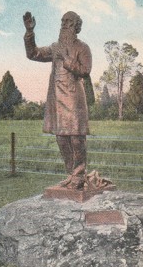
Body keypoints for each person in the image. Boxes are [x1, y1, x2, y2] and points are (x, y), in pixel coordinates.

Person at [23, 11, 92, 189]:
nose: (63, 24)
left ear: (76, 26)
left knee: (77, 138)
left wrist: (66, 59)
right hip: (57, 99)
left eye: (68, 21)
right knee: (61, 138)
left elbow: (85, 70)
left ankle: (80, 174)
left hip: (75, 97)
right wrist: (29, 32)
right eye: (62, 20)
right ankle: (71, 175)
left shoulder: (83, 47)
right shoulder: (54, 47)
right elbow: (33, 54)